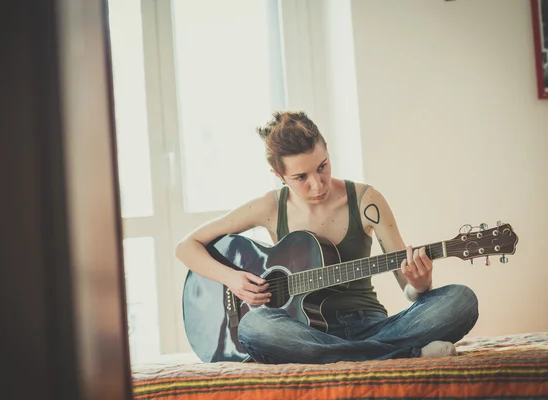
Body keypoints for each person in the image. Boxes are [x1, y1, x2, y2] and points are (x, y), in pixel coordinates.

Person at [175, 111, 479, 364]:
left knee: (461, 300)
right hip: (301, 331)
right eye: (301, 177)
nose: (317, 184)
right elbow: (186, 247)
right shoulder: (270, 206)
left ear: (327, 151)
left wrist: (420, 284)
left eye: (322, 167)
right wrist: (233, 279)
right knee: (255, 327)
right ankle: (405, 355)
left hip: (370, 325)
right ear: (279, 177)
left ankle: (360, 353)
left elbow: (409, 292)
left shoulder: (365, 200)